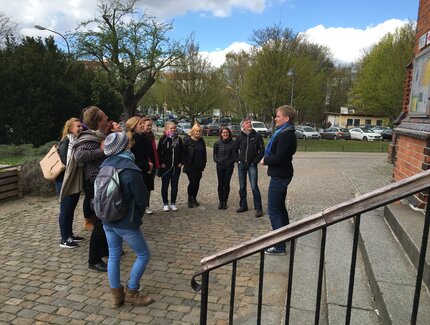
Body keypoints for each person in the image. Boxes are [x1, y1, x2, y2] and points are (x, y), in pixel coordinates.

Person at [101, 132, 154, 308]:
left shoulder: (104, 166)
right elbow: (141, 197)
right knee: (144, 255)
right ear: (124, 147)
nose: (131, 143)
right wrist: (137, 216)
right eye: (128, 142)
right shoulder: (130, 169)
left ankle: (117, 296)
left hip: (107, 219)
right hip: (126, 221)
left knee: (114, 255)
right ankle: (131, 292)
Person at [73, 106, 109, 271]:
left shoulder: (98, 135)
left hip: (101, 180)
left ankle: (103, 250)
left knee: (104, 219)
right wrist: (101, 151)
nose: (107, 118)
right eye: (104, 117)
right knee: (100, 221)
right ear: (98, 121)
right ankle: (93, 260)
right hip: (95, 181)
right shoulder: (89, 137)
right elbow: (79, 155)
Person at [260, 105, 297, 255]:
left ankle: (279, 246)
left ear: (286, 118)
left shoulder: (286, 134)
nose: (276, 118)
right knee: (280, 207)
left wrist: (265, 160)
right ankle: (287, 235)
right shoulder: (286, 132)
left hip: (280, 175)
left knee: (273, 210)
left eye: (278, 116)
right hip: (283, 173)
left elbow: (279, 157)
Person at [55, 118, 83, 248]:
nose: (81, 128)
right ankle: (64, 238)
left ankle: (70, 234)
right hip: (64, 181)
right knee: (65, 209)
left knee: (70, 208)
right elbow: (66, 163)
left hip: (72, 180)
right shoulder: (66, 142)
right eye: (78, 126)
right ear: (70, 128)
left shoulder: (75, 141)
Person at [234, 118, 265, 218]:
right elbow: (234, 150)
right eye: (247, 123)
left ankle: (258, 208)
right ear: (243, 126)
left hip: (252, 165)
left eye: (250, 123)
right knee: (242, 186)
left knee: (254, 186)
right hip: (241, 164)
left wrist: (255, 162)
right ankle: (243, 205)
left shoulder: (257, 136)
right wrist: (238, 160)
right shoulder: (239, 137)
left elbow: (262, 151)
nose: (249, 124)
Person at [126, 116, 152, 214]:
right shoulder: (131, 139)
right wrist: (146, 165)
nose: (142, 125)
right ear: (134, 126)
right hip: (137, 169)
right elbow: (131, 159)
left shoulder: (145, 138)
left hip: (145, 169)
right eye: (140, 124)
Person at [157, 121, 184, 212]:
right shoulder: (163, 139)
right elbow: (158, 152)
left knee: (174, 185)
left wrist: (181, 162)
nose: (173, 130)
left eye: (174, 128)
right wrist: (161, 163)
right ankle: (165, 203)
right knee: (165, 186)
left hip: (176, 167)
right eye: (171, 128)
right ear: (166, 129)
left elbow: (182, 152)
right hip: (166, 167)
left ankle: (173, 203)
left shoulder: (179, 139)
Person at [183, 123, 207, 208]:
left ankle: (194, 198)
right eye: (196, 131)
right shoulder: (187, 141)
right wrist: (185, 162)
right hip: (190, 166)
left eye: (199, 131)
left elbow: (204, 153)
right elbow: (183, 153)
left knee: (197, 182)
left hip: (199, 165)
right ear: (193, 131)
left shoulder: (201, 141)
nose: (197, 133)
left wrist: (204, 164)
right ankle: (190, 198)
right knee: (192, 182)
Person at [213, 127, 237, 210]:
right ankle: (221, 201)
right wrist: (218, 161)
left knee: (226, 184)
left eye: (226, 132)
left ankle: (225, 202)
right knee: (220, 184)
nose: (225, 134)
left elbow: (234, 155)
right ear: (221, 134)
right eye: (223, 132)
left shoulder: (233, 143)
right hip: (219, 166)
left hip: (229, 166)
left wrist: (230, 162)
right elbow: (215, 155)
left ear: (229, 133)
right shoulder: (217, 143)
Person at [141, 117, 160, 214]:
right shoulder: (141, 137)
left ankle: (147, 205)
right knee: (142, 187)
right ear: (142, 125)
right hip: (145, 164)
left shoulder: (151, 136)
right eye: (147, 125)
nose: (149, 127)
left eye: (150, 125)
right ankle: (141, 205)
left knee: (149, 187)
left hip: (152, 164)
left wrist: (157, 164)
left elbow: (154, 151)